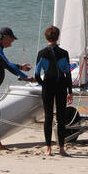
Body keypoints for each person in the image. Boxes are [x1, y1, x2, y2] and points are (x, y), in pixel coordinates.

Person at [34, 25, 74, 156]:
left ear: (46, 37)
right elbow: (68, 74)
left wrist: (43, 84)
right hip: (61, 87)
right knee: (61, 118)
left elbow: (36, 74)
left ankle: (48, 149)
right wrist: (70, 92)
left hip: (48, 87)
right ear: (58, 37)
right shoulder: (64, 53)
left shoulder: (41, 53)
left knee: (48, 117)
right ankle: (61, 149)